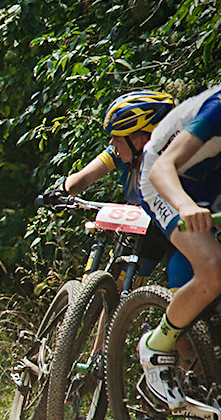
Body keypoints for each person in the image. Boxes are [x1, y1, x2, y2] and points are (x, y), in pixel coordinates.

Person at [47, 90, 188, 288]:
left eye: (118, 138)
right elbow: (84, 177)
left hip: (179, 230)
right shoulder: (121, 152)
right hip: (143, 229)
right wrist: (63, 190)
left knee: (180, 283)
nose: (112, 143)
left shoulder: (179, 159)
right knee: (118, 286)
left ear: (142, 140)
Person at [136, 83, 221, 406]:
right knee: (213, 267)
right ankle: (158, 345)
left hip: (213, 173)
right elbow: (162, 168)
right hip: (167, 176)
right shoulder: (217, 109)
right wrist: (185, 206)